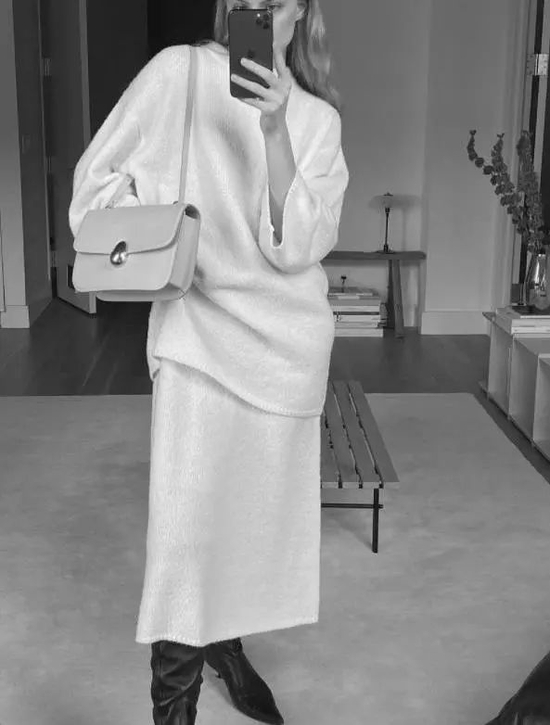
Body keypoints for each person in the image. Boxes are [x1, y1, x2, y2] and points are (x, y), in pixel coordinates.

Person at [68, 0, 349, 722]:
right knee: (184, 538)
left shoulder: (318, 121)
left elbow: (296, 248)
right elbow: (96, 182)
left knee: (245, 525)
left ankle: (227, 644)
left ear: (302, 14)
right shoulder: (179, 74)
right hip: (195, 333)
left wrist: (276, 129)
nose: (263, 10)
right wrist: (166, 217)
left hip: (284, 346)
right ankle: (175, 707)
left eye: (278, 3)